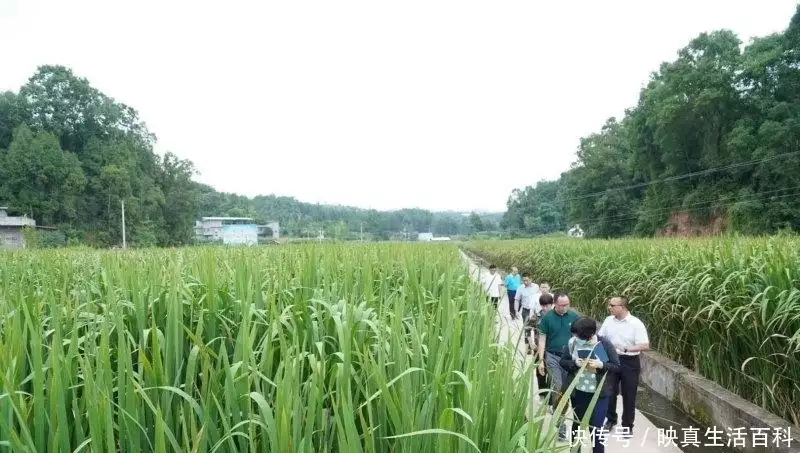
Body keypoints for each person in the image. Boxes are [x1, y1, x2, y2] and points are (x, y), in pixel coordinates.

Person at [559, 316, 621, 453]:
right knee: (577, 428)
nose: (576, 337)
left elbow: (617, 367)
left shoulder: (604, 344)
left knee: (596, 430)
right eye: (574, 335)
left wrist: (602, 365)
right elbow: (563, 362)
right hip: (579, 392)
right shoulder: (572, 342)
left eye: (579, 335)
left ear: (590, 334)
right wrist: (575, 363)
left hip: (599, 394)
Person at [598, 296, 650, 437]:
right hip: (612, 360)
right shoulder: (609, 320)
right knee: (610, 391)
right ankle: (610, 420)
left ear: (623, 307)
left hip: (629, 361)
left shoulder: (636, 324)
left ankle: (627, 425)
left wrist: (627, 348)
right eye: (610, 305)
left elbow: (645, 345)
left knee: (629, 394)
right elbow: (600, 337)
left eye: (612, 305)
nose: (610, 307)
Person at [537, 291, 581, 440]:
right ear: (554, 303)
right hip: (553, 357)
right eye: (561, 305)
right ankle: (561, 426)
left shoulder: (575, 316)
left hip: (570, 359)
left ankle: (559, 411)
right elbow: (542, 339)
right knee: (558, 388)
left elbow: (580, 337)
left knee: (569, 391)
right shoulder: (547, 318)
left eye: (566, 305)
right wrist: (541, 360)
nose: (564, 308)